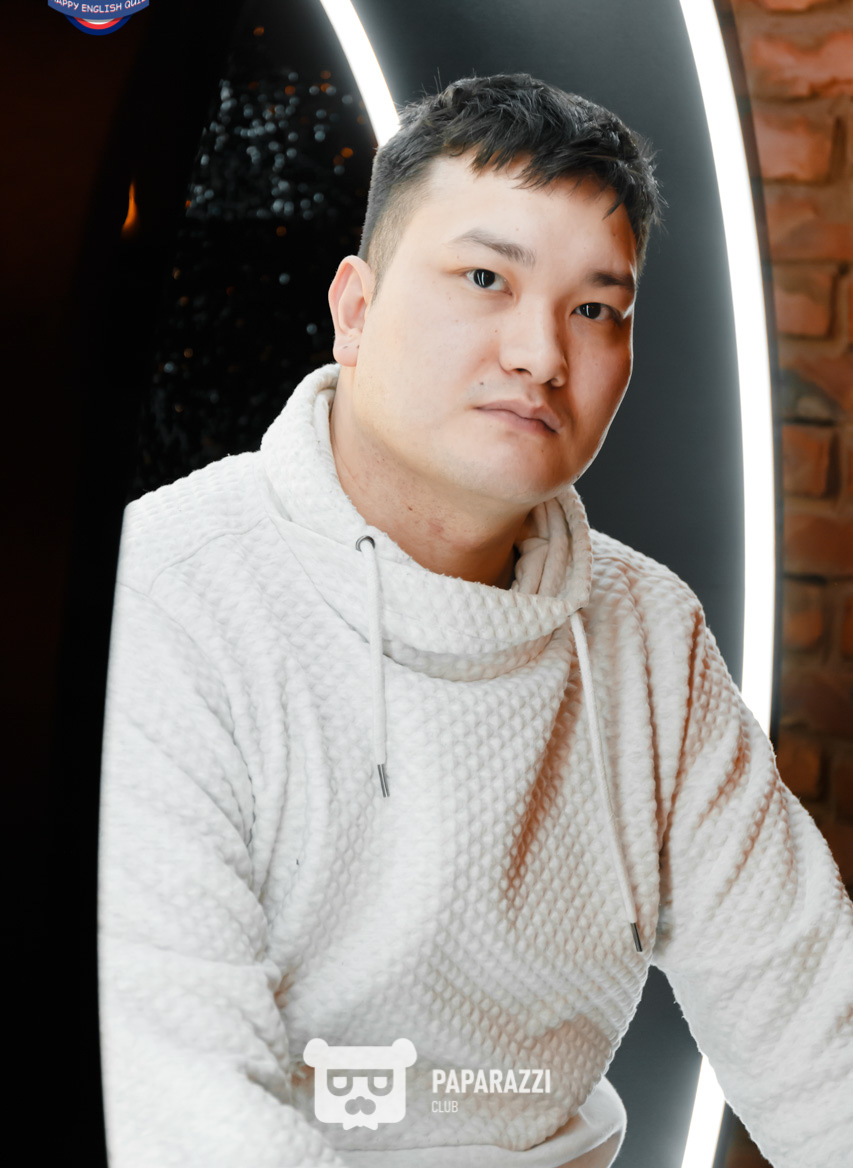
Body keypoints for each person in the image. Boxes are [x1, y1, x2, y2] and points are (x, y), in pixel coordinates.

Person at [97, 73, 853, 1168]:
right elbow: (182, 1112)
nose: (541, 355)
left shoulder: (646, 631)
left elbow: (819, 1039)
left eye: (594, 309)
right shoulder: (167, 597)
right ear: (355, 310)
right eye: (486, 278)